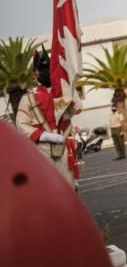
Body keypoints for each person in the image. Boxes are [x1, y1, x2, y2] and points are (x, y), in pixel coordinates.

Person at [16, 47, 79, 189]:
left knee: (69, 188)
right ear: (35, 74)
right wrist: (45, 136)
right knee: (48, 187)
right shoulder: (28, 98)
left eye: (49, 69)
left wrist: (69, 87)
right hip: (41, 148)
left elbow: (76, 109)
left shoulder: (64, 92)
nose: (46, 72)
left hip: (64, 146)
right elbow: (21, 125)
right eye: (42, 70)